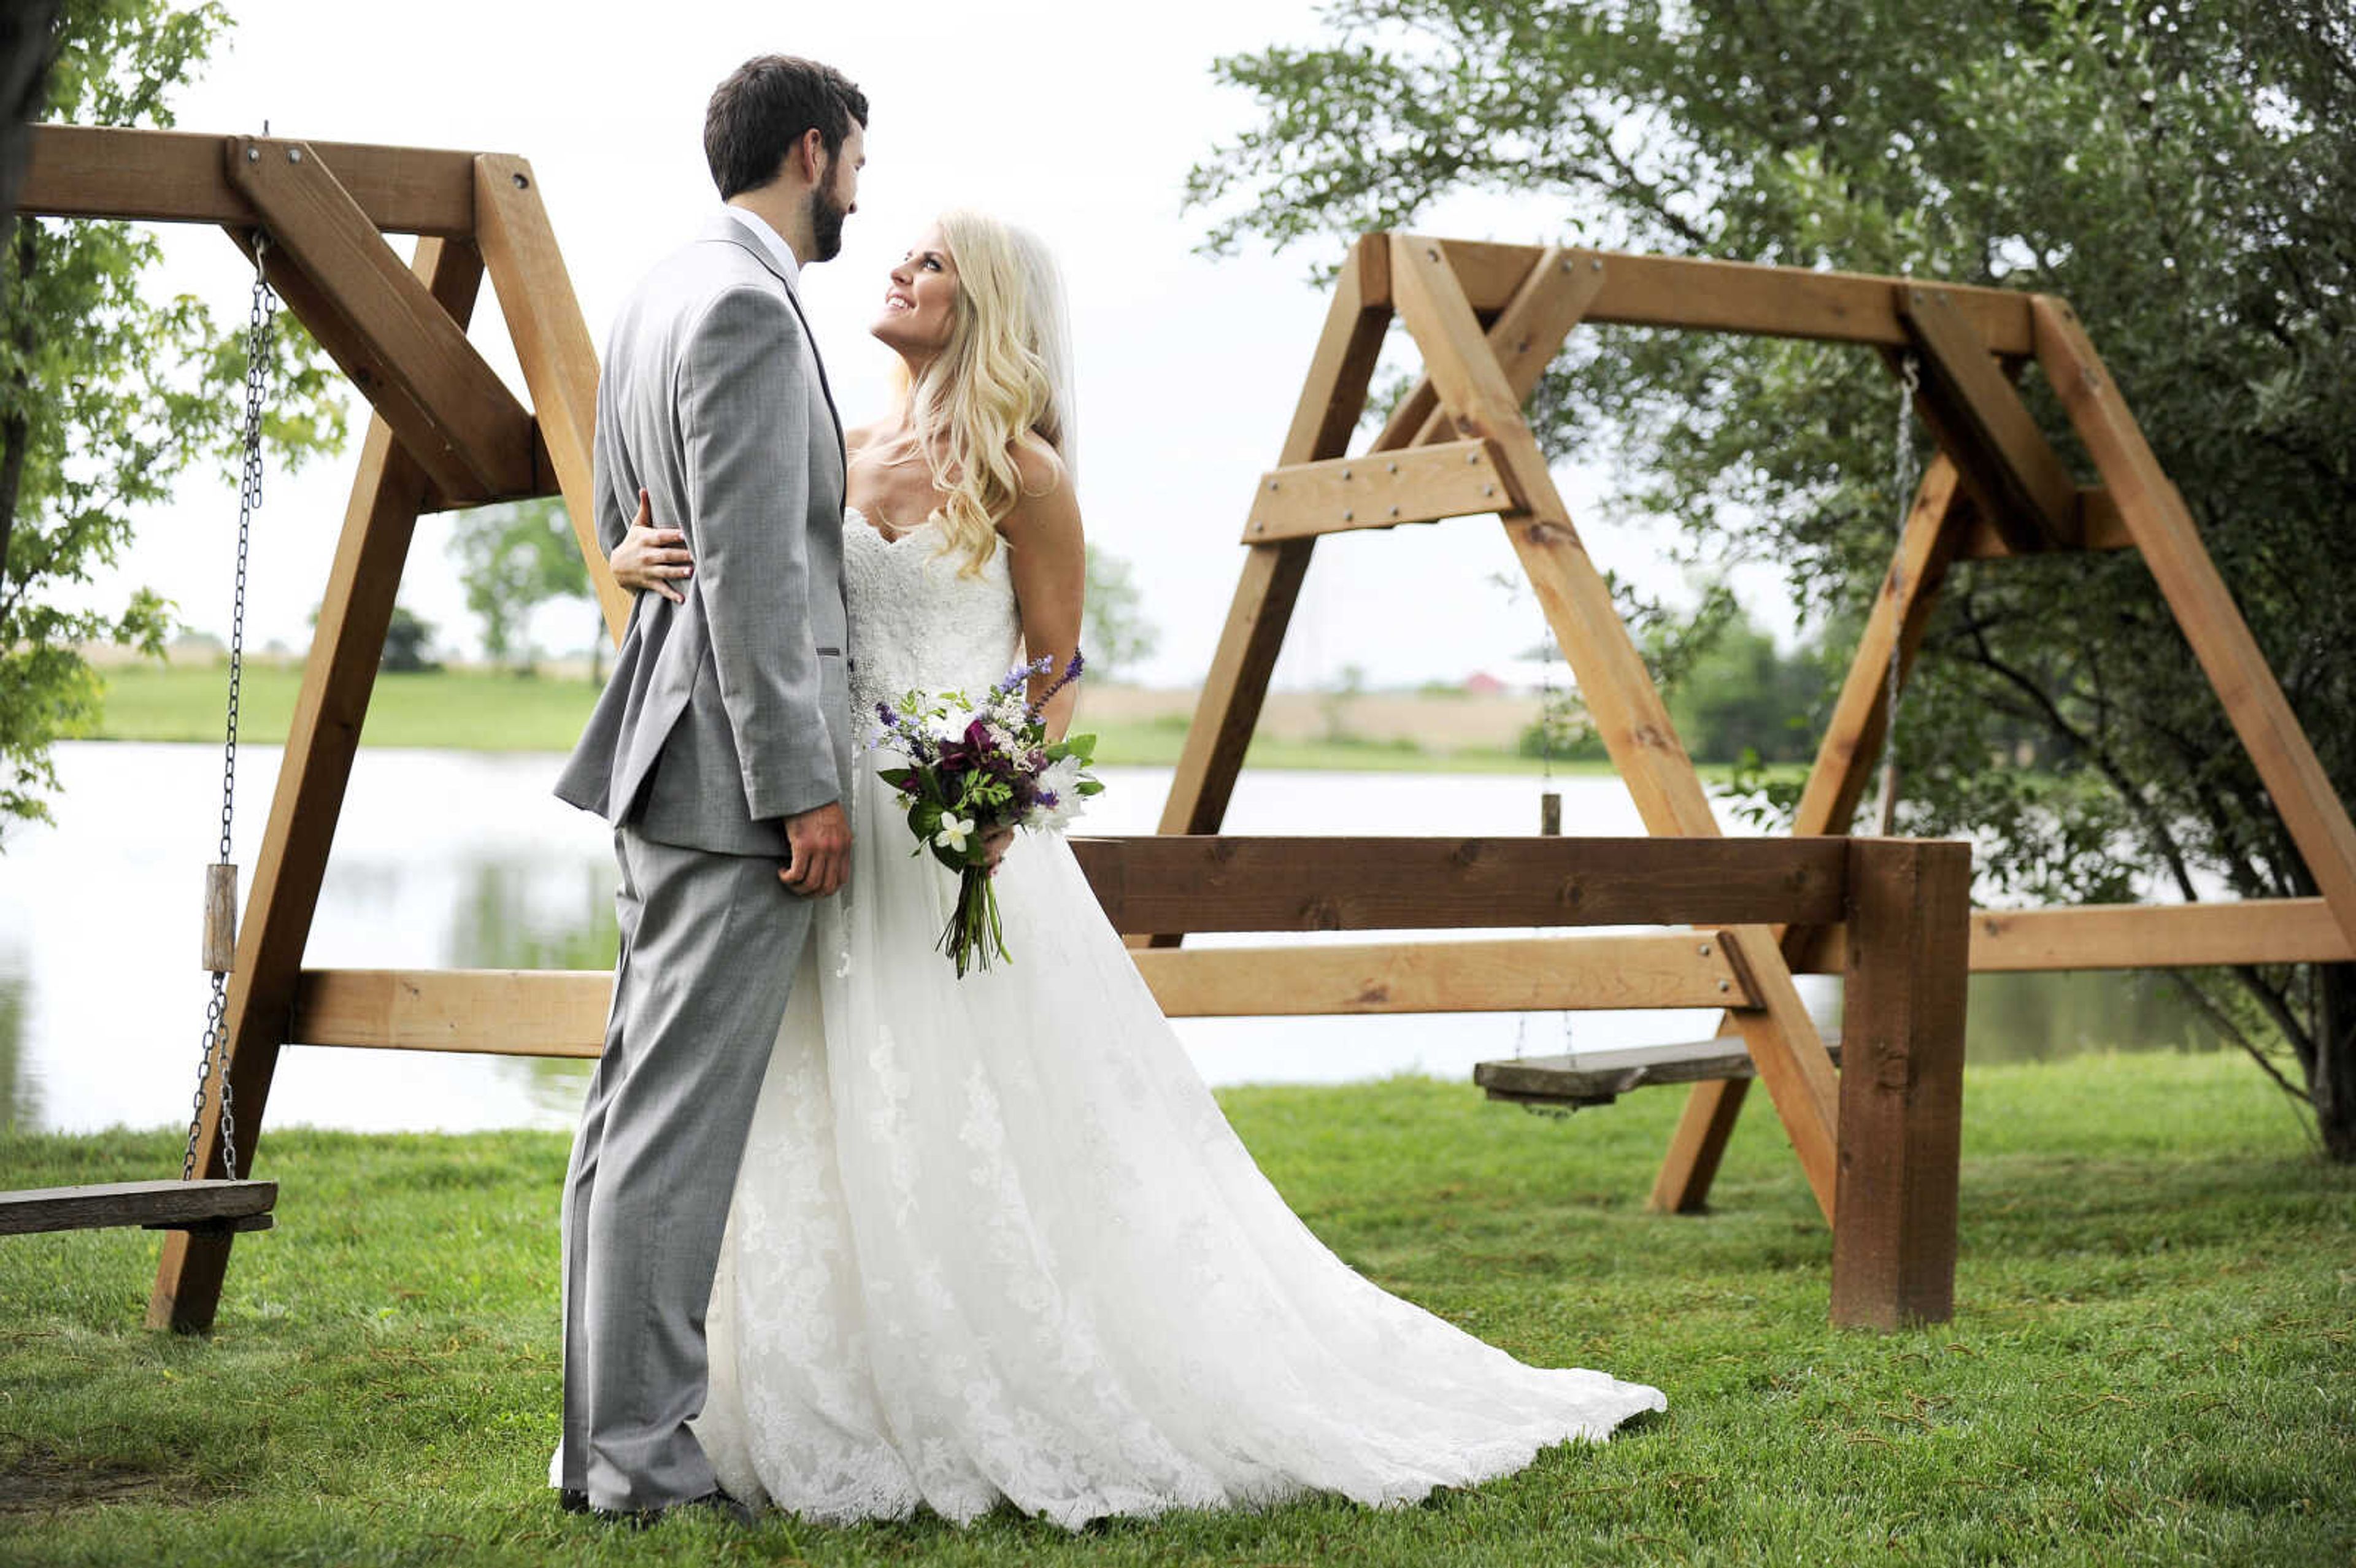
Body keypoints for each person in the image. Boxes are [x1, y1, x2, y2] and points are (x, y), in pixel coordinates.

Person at [596, 200, 1666, 1531]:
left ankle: (992, 1372)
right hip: (813, 830)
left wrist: (1002, 788)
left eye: (929, 262)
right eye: (904, 251)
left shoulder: (1026, 476)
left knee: (971, 1115)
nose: (899, 268)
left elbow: (1054, 668)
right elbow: (745, 571)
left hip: (949, 839)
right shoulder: (832, 444)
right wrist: (631, 558)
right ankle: (799, 1394)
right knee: (814, 1107)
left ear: (981, 303)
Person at [545, 55, 867, 1524]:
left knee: (628, 1114)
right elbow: (744, 570)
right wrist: (801, 786)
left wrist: (622, 561)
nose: (861, 189)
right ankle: (644, 1467)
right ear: (812, 152)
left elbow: (629, 526)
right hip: (730, 779)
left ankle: (595, 1446)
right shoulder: (742, 303)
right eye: (858, 161)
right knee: (671, 1130)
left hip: (663, 755)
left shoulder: (654, 290)